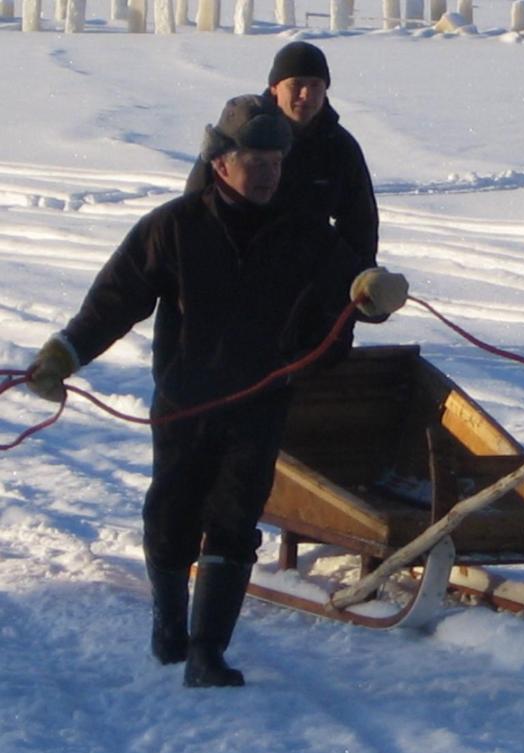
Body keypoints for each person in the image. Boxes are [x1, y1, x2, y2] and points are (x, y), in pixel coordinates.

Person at [26, 94, 408, 688]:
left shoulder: (304, 232)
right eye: (255, 160)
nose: (268, 173)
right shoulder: (173, 227)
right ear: (221, 162)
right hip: (185, 401)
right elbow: (114, 301)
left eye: (276, 161)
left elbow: (349, 286)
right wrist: (64, 355)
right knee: (172, 515)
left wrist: (374, 290)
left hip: (260, 401)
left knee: (234, 519)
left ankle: (207, 652)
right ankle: (169, 622)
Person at [185, 41, 379, 273]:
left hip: (306, 275)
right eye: (296, 84)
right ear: (275, 87)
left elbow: (360, 225)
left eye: (315, 85)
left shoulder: (338, 146)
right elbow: (193, 208)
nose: (306, 94)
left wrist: (361, 282)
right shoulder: (239, 130)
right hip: (235, 266)